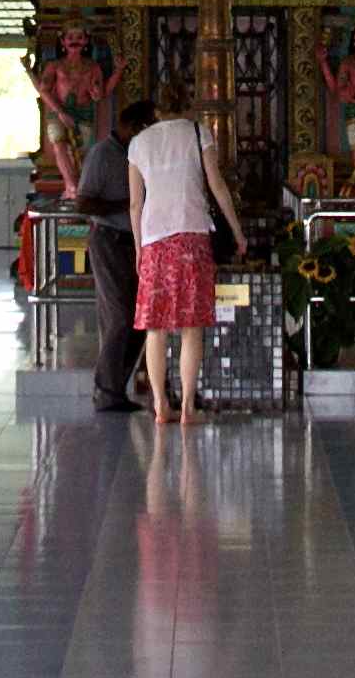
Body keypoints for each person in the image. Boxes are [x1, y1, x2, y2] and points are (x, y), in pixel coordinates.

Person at [128, 83, 251, 425]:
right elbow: (218, 186)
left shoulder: (139, 144)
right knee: (191, 328)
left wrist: (139, 248)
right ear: (188, 105)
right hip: (192, 237)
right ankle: (187, 408)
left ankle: (159, 405)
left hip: (154, 241)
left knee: (155, 328)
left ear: (156, 110)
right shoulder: (199, 134)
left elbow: (135, 203)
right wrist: (237, 231)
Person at [75, 99, 154, 412]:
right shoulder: (102, 155)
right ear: (132, 127)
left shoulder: (140, 154)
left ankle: (117, 387)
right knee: (118, 316)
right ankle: (106, 390)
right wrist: (125, 205)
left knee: (140, 318)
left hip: (137, 242)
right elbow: (84, 203)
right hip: (109, 240)